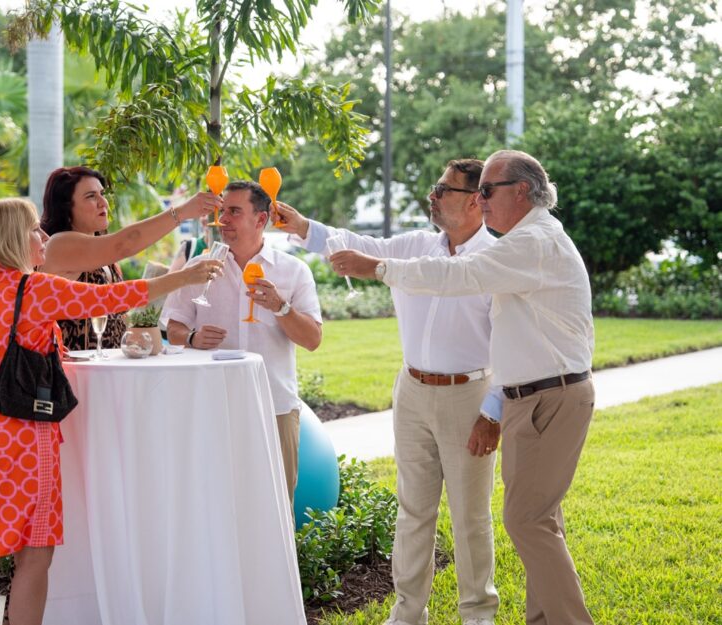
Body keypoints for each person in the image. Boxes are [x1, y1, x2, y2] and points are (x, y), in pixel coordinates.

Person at [331, 150, 596, 625]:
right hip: (531, 396)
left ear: (521, 191)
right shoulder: (523, 242)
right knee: (537, 522)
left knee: (526, 522)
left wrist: (379, 268)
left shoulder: (530, 242)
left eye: (488, 191)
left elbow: (461, 276)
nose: (481, 200)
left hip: (549, 396)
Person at [0, 198, 221, 625]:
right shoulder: (32, 288)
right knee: (34, 553)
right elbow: (111, 297)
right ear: (13, 238)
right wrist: (184, 277)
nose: (43, 238)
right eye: (35, 230)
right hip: (21, 431)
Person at [275, 159, 502, 625]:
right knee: (413, 510)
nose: (433, 195)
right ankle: (406, 616)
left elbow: (511, 344)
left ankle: (478, 617)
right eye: (434, 187)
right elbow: (357, 245)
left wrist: (493, 412)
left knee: (470, 518)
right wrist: (302, 227)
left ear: (477, 200)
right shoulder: (417, 244)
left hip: (469, 396)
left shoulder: (495, 259)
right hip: (413, 391)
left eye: (444, 189)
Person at [161, 180, 322, 507]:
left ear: (260, 220)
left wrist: (280, 306)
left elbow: (312, 340)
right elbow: (171, 326)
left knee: (275, 505)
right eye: (221, 211)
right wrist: (191, 338)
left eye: (234, 211)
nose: (223, 220)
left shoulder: (293, 271)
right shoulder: (198, 268)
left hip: (273, 405)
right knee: (211, 503)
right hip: (210, 404)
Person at [38, 166, 221, 351]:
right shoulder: (58, 245)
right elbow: (125, 244)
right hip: (71, 371)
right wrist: (181, 213)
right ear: (66, 207)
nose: (103, 203)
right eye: (91, 196)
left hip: (110, 370)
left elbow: (119, 314)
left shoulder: (106, 259)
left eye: (102, 194)